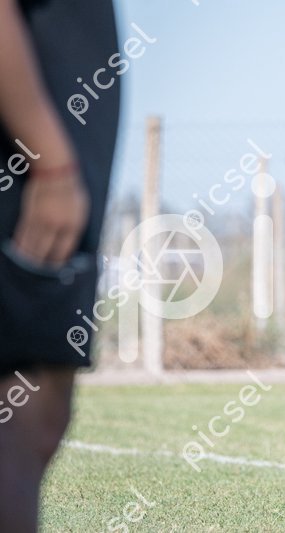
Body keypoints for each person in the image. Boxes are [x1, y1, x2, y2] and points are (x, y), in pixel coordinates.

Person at [0, 0, 120, 530]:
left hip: (43, 173)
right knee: (20, 421)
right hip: (30, 181)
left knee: (38, 418)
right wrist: (51, 162)